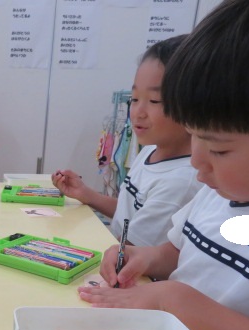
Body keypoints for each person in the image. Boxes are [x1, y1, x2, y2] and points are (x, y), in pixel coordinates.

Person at [78, 0, 249, 330]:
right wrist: (145, 258)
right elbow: (178, 249)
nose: (196, 162)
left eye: (219, 149)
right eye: (194, 137)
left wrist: (178, 302)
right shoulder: (218, 190)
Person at [52, 35, 202, 247]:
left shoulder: (180, 183)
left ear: (194, 106)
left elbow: (129, 252)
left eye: (154, 101)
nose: (138, 112)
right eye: (135, 99)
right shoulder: (150, 150)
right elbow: (129, 217)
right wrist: (87, 194)